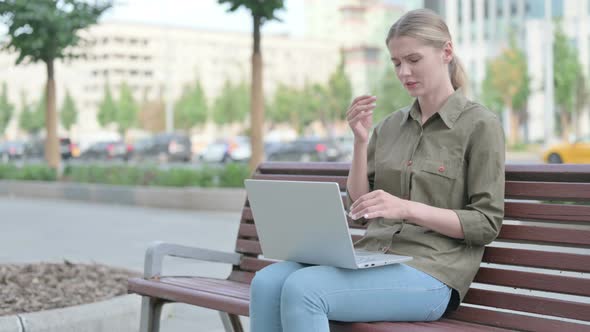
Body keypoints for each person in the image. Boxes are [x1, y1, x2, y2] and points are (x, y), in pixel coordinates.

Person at [249, 8, 505, 332]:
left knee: (305, 290)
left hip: (433, 273)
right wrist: (359, 142)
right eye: (396, 62)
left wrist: (406, 209)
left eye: (414, 59)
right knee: (268, 282)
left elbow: (486, 223)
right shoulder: (389, 127)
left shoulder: (480, 125)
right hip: (375, 257)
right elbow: (360, 209)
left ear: (446, 53)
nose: (404, 72)